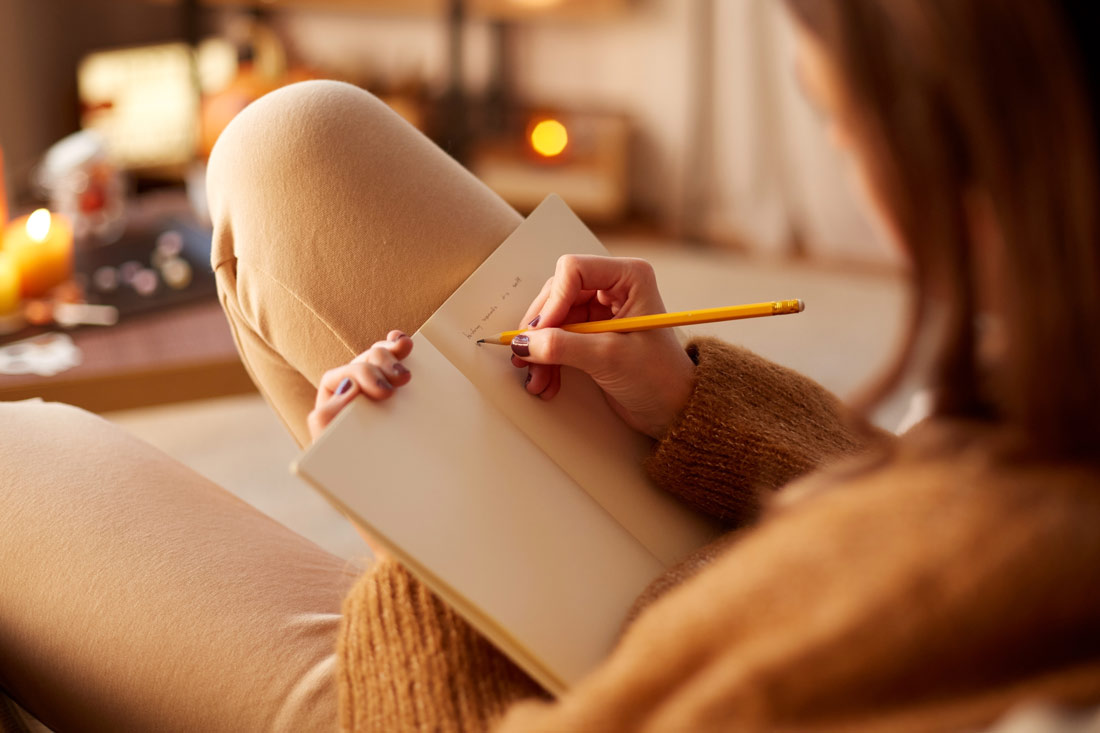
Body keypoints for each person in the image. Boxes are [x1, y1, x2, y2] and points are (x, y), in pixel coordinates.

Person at [1, 0, 1099, 731]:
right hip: (713, 564)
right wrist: (694, 401)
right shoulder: (1050, 410)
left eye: (838, 121)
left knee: (16, 458)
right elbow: (899, 504)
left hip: (515, 696)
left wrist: (426, 534)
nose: (855, 171)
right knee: (295, 142)